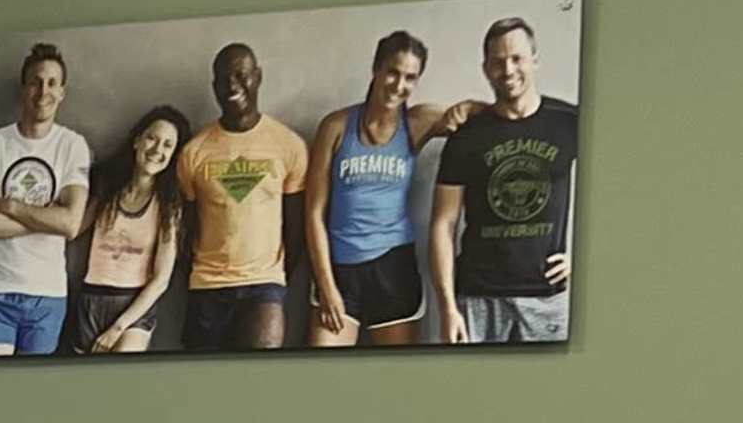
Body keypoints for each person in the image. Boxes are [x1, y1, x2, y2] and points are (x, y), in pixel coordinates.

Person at [303, 30, 466, 350]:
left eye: (410, 77)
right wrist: (326, 286)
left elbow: (473, 117)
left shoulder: (418, 121)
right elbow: (312, 213)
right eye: (393, 72)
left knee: (399, 380)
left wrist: (471, 106)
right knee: (321, 377)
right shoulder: (335, 127)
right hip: (340, 269)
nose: (399, 85)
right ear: (376, 68)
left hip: (394, 269)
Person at [429, 15, 580, 347]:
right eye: (498, 61)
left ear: (535, 60)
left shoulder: (571, 123)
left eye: (517, 58)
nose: (508, 69)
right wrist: (447, 307)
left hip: (546, 299)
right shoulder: (466, 134)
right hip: (477, 298)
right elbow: (443, 223)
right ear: (485, 67)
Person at [172, 43, 309, 352]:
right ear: (214, 87)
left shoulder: (289, 145)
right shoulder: (194, 152)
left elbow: (296, 227)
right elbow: (185, 229)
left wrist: (275, 277)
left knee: (260, 381)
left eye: (241, 75)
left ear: (257, 77)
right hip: (207, 286)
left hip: (264, 286)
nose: (232, 85)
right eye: (223, 79)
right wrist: (196, 278)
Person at [0, 40, 90, 357]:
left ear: (62, 91)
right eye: (35, 82)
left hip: (48, 296)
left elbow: (71, 223)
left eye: (52, 83)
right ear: (23, 88)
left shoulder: (72, 146)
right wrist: (46, 218)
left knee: (32, 395)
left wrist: (11, 206)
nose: (43, 91)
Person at [68, 112, 184, 351]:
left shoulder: (169, 205)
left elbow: (161, 280)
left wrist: (118, 328)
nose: (157, 149)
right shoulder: (107, 188)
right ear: (137, 141)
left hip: (134, 307)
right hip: (92, 300)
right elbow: (73, 229)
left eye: (167, 145)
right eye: (152, 138)